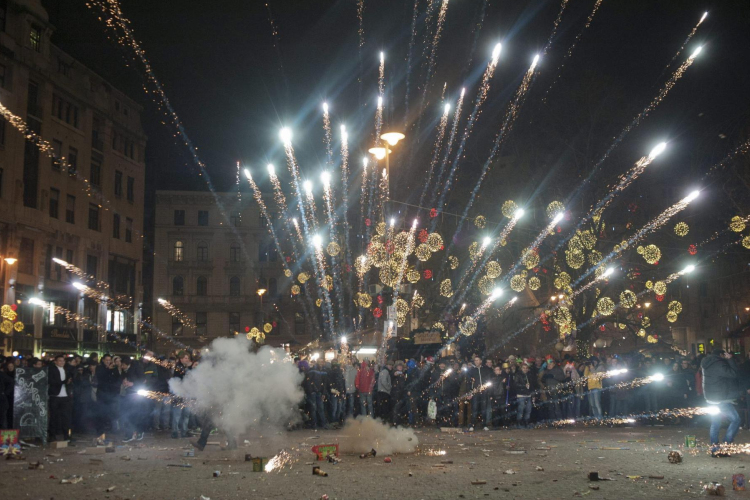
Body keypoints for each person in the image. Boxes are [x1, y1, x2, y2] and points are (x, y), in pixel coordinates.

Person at [701, 348, 741, 457]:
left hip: (710, 398)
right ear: (720, 355)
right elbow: (733, 374)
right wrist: (730, 359)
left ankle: (714, 449)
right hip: (720, 399)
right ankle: (726, 445)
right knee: (736, 420)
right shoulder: (719, 364)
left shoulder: (706, 363)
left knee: (715, 423)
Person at [48, 354, 74, 441]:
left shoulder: (66, 370)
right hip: (55, 396)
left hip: (65, 396)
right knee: (54, 416)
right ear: (55, 361)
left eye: (63, 361)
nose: (62, 362)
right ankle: (52, 435)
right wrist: (64, 382)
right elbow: (52, 381)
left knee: (66, 417)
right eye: (60, 361)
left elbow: (70, 380)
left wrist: (69, 382)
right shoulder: (52, 370)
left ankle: (67, 435)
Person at [120, 357, 145, 442]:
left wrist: (133, 383)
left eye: (123, 365)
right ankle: (129, 434)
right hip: (128, 394)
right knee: (129, 414)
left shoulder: (137, 368)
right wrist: (124, 382)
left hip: (137, 394)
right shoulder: (125, 371)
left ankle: (139, 431)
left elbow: (143, 380)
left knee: (137, 414)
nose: (122, 366)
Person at [171, 351, 193, 438]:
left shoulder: (186, 367)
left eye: (188, 358)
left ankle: (184, 431)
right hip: (179, 393)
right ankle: (175, 432)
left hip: (187, 393)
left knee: (186, 414)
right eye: (186, 358)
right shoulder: (178, 367)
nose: (187, 360)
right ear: (181, 359)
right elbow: (182, 376)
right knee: (177, 415)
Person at [468, 356, 493, 431]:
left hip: (484, 391)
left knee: (483, 408)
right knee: (474, 408)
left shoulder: (485, 369)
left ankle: (484, 424)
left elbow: (488, 380)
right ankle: (472, 425)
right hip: (475, 392)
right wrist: (470, 392)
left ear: (481, 361)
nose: (476, 361)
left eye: (477, 360)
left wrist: (488, 390)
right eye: (475, 360)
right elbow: (469, 382)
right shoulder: (472, 370)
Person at [512, 362, 537, 428]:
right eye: (523, 368)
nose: (525, 369)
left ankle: (526, 421)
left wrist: (533, 395)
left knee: (528, 409)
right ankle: (519, 421)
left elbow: (532, 386)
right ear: (521, 368)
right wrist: (524, 386)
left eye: (526, 368)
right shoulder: (518, 375)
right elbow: (515, 384)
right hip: (521, 394)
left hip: (528, 394)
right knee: (521, 408)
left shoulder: (530, 375)